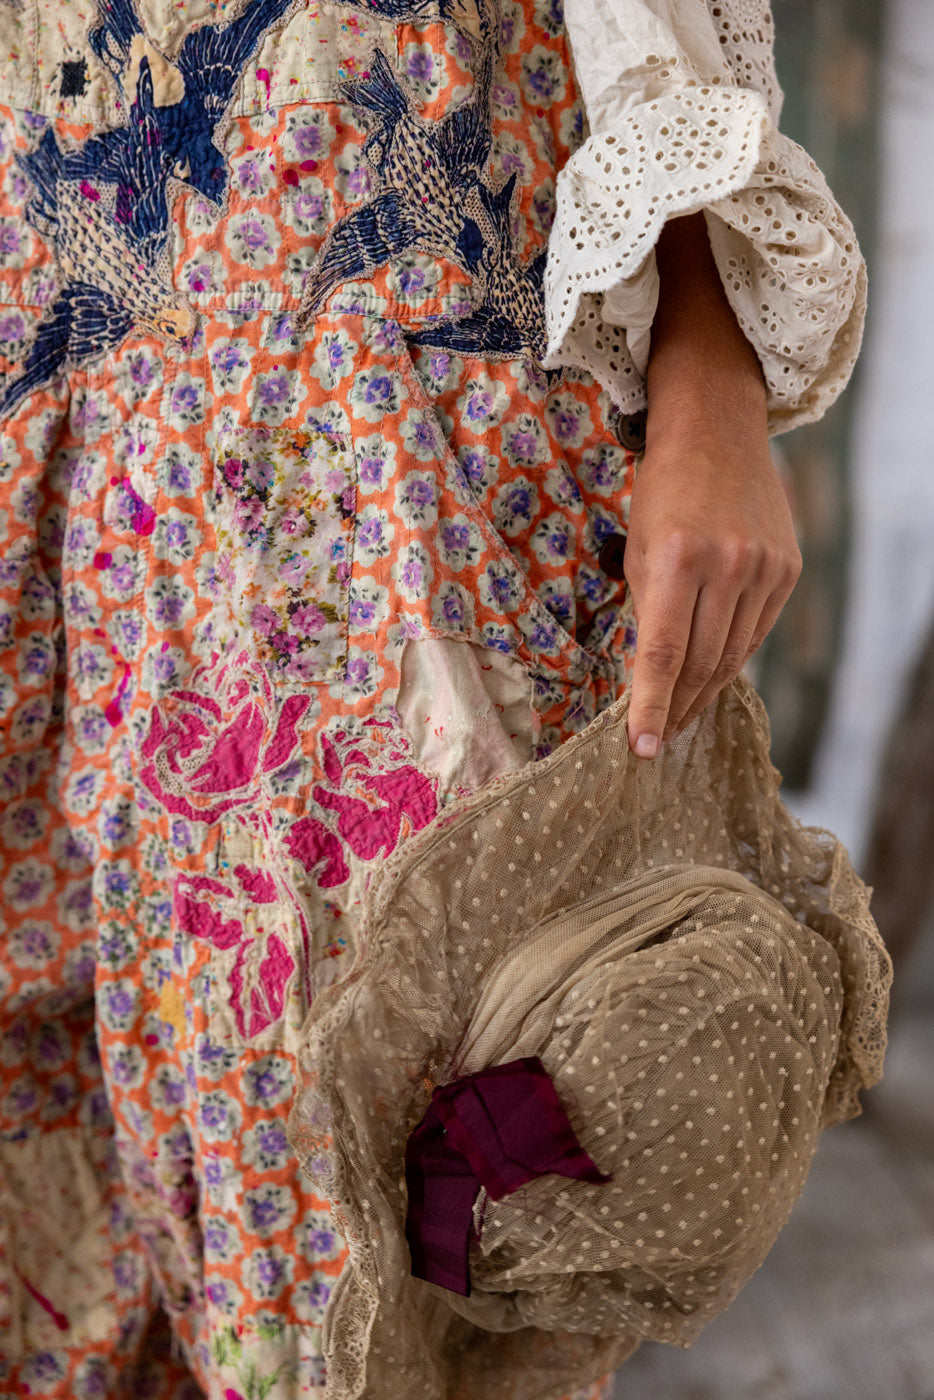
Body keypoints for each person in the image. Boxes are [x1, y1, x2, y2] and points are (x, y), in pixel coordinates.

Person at [0, 1, 865, 1396]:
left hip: (377, 474)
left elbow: (662, 48)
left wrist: (713, 382)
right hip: (47, 491)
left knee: (353, 1267)